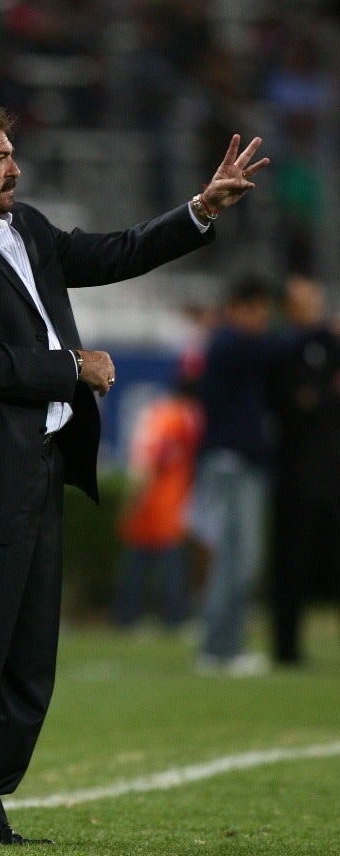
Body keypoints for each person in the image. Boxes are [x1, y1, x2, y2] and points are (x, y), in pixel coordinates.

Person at [0, 101, 268, 846]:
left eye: (12, 152)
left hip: (38, 471)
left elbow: (114, 253)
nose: (15, 167)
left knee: (29, 661)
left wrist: (199, 209)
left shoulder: (28, 229)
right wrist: (73, 367)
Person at [190, 275, 280, 676]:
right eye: (256, 310)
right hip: (230, 463)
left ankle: (223, 647)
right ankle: (220, 648)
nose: (263, 319)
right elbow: (279, 348)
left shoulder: (240, 348)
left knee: (237, 558)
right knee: (236, 558)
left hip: (240, 463)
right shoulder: (228, 343)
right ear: (237, 309)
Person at [268, 275, 340, 665]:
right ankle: (286, 648)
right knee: (292, 563)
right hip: (295, 472)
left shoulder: (328, 343)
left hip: (330, 469)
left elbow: (312, 400)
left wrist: (318, 397)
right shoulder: (283, 348)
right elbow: (293, 405)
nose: (315, 307)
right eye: (306, 301)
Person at [113, 375, 204, 630]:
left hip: (158, 502)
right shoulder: (177, 418)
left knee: (139, 564)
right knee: (167, 566)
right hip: (164, 504)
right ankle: (173, 617)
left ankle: (127, 616)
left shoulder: (160, 414)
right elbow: (152, 463)